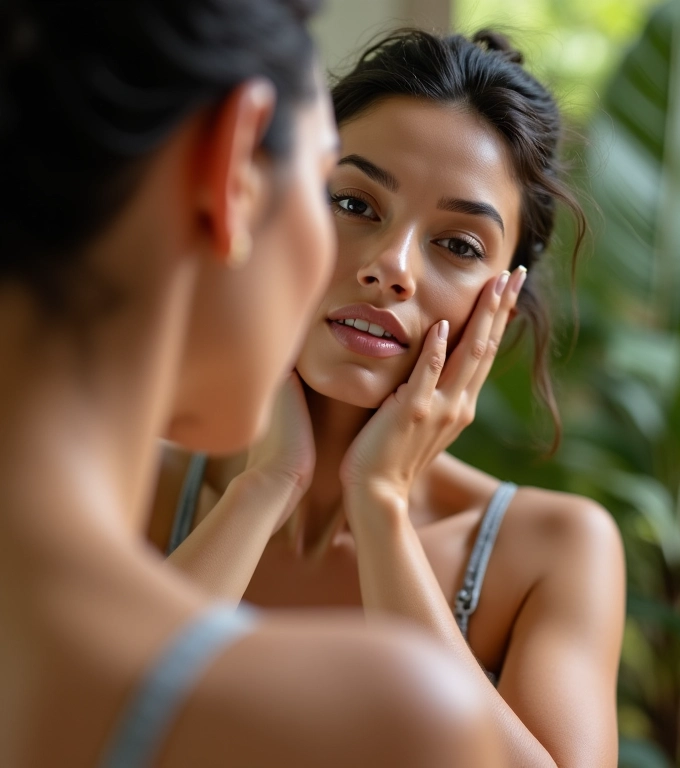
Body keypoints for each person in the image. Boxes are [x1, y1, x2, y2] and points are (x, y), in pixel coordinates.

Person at [0, 4, 504, 767]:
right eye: (337, 191)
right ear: (230, 166)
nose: (388, 267)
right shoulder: (405, 718)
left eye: (459, 244)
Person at [150, 28, 627, 768]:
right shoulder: (133, 486)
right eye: (354, 202)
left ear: (501, 304)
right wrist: (262, 487)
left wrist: (380, 507)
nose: (391, 266)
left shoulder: (551, 550)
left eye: (459, 245)